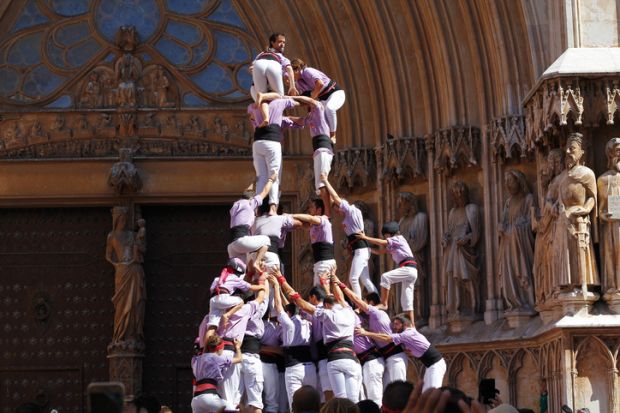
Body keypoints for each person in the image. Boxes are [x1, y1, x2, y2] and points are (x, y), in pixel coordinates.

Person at [281, 272, 362, 403]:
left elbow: (303, 305)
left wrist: (282, 281)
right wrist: (334, 282)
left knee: (337, 398)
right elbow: (340, 297)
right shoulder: (349, 312)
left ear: (326, 305)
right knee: (353, 399)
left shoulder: (327, 314)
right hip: (352, 358)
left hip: (332, 358)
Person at [216, 279, 268, 412]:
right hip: (242, 355)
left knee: (232, 402)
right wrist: (262, 281)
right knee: (254, 403)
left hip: (227, 356)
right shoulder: (246, 309)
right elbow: (263, 297)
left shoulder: (219, 312)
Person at [321, 173, 377, 297]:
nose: (337, 213)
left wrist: (325, 181)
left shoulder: (351, 210)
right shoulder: (349, 215)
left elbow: (335, 197)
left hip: (361, 250)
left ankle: (359, 304)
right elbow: (333, 200)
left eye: (337, 210)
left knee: (353, 279)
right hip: (361, 249)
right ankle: (376, 301)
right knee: (365, 280)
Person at [340, 282, 405, 388]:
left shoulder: (377, 314)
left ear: (370, 303)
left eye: (364, 302)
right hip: (386, 358)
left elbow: (387, 338)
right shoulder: (370, 318)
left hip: (395, 357)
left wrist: (340, 284)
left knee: (399, 389)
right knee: (389, 392)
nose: (360, 306)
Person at [356, 315, 446, 391]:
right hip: (431, 366)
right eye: (393, 324)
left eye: (397, 324)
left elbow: (387, 338)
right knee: (426, 394)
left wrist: (365, 333)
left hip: (436, 365)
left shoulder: (407, 334)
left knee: (432, 395)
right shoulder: (409, 333)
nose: (394, 327)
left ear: (405, 324)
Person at [269, 273, 316, 410]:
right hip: (310, 369)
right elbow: (287, 307)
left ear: (288, 314)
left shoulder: (288, 325)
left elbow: (278, 307)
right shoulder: (308, 323)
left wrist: (277, 287)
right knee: (312, 404)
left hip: (294, 369)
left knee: (295, 406)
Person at [356, 221, 416, 323]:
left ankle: (384, 303)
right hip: (410, 271)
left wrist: (365, 238)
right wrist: (368, 249)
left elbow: (382, 243)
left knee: (385, 277)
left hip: (408, 268)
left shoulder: (399, 238)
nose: (385, 238)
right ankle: (412, 326)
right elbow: (381, 251)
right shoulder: (395, 244)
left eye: (385, 236)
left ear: (390, 234)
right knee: (406, 302)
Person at [249, 97, 300, 215]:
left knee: (261, 177)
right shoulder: (279, 101)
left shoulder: (253, 106)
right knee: (274, 176)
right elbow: (297, 102)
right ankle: (272, 207)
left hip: (257, 143)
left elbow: (251, 119)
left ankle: (257, 208)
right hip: (272, 142)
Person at [227, 174, 277, 271]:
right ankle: (257, 262)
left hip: (232, 245)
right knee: (266, 240)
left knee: (240, 271)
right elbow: (265, 192)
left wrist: (253, 182)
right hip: (241, 241)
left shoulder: (236, 205)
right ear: (251, 198)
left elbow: (246, 193)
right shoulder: (250, 203)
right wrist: (271, 179)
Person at [290, 58, 345, 142]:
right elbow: (306, 98)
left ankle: (333, 134)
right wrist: (309, 112)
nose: (290, 76)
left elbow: (320, 84)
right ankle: (325, 140)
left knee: (330, 109)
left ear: (297, 68)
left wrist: (311, 99)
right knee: (320, 119)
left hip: (335, 93)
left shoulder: (307, 71)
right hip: (323, 99)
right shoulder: (298, 83)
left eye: (291, 72)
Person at [292, 198, 336, 294]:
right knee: (319, 292)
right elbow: (303, 224)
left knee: (323, 292)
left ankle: (328, 308)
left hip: (324, 262)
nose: (309, 210)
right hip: (320, 262)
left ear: (319, 210)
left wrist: (292, 215)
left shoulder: (323, 220)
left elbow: (310, 218)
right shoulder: (314, 225)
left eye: (312, 207)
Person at [191, 334, 243, 413]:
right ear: (220, 348)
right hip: (209, 397)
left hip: (196, 400)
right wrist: (238, 348)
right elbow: (239, 359)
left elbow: (204, 355)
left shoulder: (197, 360)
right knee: (234, 410)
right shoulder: (219, 359)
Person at [252, 33, 298, 98]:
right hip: (274, 64)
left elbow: (251, 68)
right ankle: (263, 95)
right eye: (279, 42)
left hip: (258, 64)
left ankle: (262, 95)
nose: (282, 45)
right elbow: (289, 68)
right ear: (272, 43)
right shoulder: (280, 56)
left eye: (284, 42)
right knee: (279, 96)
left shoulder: (261, 54)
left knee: (262, 98)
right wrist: (292, 86)